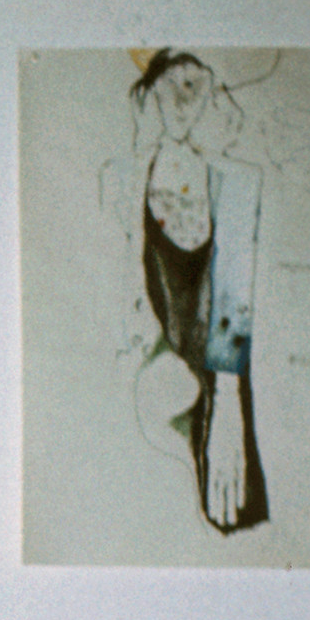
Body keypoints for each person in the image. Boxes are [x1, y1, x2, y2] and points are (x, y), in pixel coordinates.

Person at [131, 50, 266, 532]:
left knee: (229, 507)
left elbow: (233, 294)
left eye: (201, 84)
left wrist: (227, 396)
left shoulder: (236, 183)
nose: (188, 99)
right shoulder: (129, 177)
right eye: (177, 84)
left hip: (220, 386)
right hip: (163, 385)